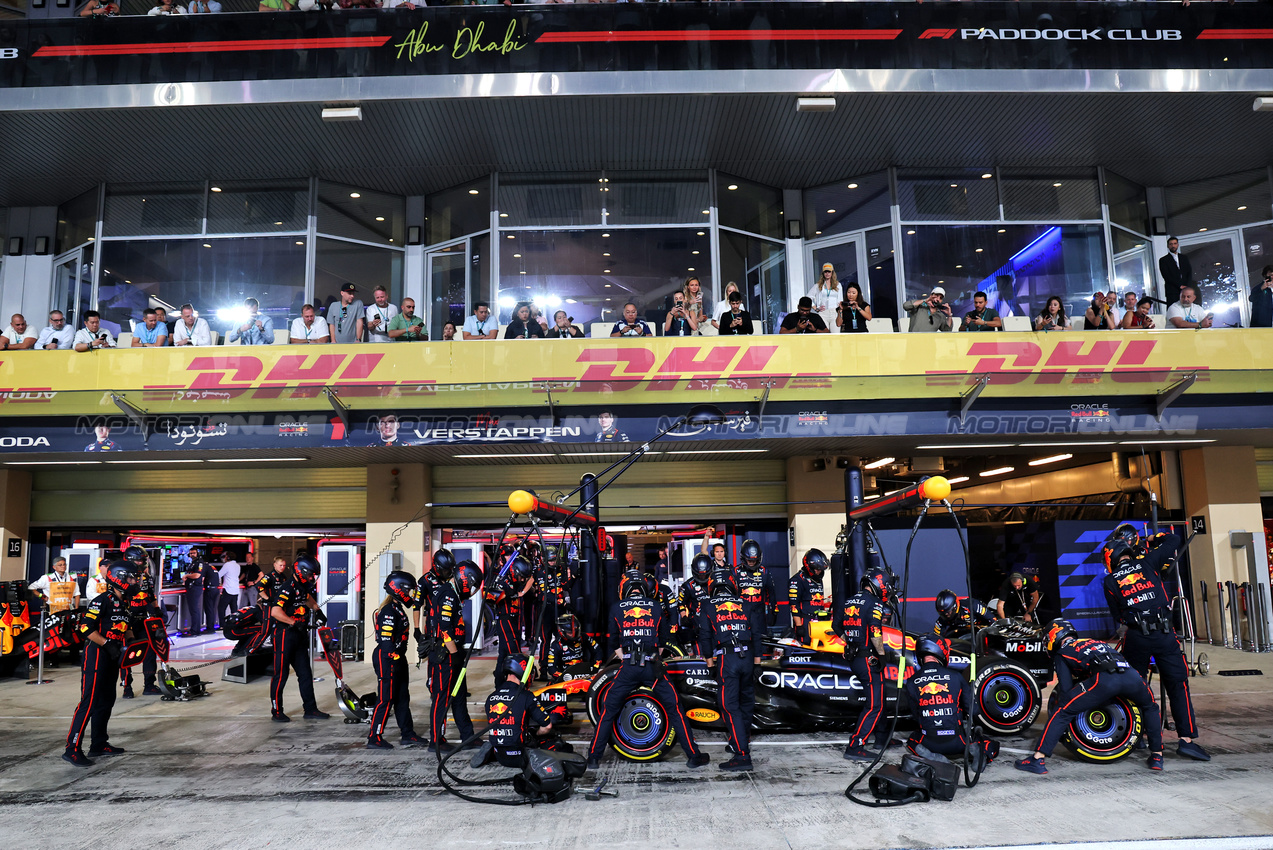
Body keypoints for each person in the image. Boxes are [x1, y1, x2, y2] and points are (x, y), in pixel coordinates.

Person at [587, 570, 709, 771]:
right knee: (675, 709)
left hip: (628, 667)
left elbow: (612, 643)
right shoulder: (655, 606)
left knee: (608, 711)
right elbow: (662, 642)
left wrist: (627, 658)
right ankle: (693, 756)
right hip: (653, 667)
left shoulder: (616, 608)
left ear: (623, 589)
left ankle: (593, 758)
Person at [1103, 534, 1209, 761]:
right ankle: (1187, 741)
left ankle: (1137, 735)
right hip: (1163, 634)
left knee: (1135, 687)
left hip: (1137, 637)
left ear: (1111, 559)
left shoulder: (1110, 581)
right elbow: (1174, 540)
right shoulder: (1147, 562)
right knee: (1178, 685)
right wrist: (1151, 538)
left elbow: (1118, 616)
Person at [1016, 618, 1163, 775]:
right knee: (1151, 707)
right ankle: (1157, 756)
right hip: (1131, 676)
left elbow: (1065, 690)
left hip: (1105, 679)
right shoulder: (1094, 641)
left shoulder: (1062, 652)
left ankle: (1038, 758)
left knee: (1063, 710)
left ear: (1053, 636)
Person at [63, 561, 137, 767]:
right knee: (89, 701)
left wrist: (132, 643)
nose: (135, 581)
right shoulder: (101, 600)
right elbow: (85, 627)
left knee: (107, 700)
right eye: (131, 578)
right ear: (118, 579)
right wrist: (107, 644)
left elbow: (126, 626)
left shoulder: (126, 602)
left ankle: (99, 743)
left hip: (113, 656)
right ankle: (72, 748)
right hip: (96, 654)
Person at [904, 634, 996, 766]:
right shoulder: (955, 676)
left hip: (929, 742)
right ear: (941, 650)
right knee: (988, 742)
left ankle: (932, 757)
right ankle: (981, 754)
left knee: (912, 740)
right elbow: (974, 710)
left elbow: (916, 716)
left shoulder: (912, 681)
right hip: (958, 741)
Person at [701, 568, 761, 771]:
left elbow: (705, 637)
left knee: (728, 704)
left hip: (728, 659)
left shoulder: (707, 604)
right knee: (746, 702)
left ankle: (742, 755)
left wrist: (710, 664)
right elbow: (758, 634)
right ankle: (739, 741)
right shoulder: (746, 603)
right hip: (748, 656)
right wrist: (758, 663)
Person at [836, 567, 896, 761]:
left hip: (855, 657)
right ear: (879, 585)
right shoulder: (875, 603)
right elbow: (876, 632)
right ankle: (856, 744)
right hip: (867, 659)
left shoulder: (849, 601)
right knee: (874, 705)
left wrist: (850, 642)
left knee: (880, 695)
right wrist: (882, 656)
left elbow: (835, 625)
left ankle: (881, 737)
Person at [427, 560, 482, 754]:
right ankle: (435, 740)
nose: (474, 591)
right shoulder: (448, 595)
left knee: (459, 697)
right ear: (465, 579)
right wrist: (455, 654)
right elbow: (444, 629)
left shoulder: (454, 595)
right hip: (445, 655)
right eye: (473, 586)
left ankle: (467, 736)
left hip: (454, 653)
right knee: (441, 698)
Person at [367, 571, 426, 749]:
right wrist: (394, 659)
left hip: (397, 658)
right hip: (387, 658)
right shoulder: (388, 611)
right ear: (399, 589)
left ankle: (407, 734)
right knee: (385, 698)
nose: (410, 595)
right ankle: (374, 737)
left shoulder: (397, 608)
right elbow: (386, 642)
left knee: (402, 698)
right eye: (408, 591)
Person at [268, 556, 330, 722]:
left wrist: (318, 611)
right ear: (301, 572)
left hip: (299, 635)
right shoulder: (286, 588)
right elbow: (275, 612)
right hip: (284, 636)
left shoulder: (301, 586)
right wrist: (293, 622)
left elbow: (307, 599)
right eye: (310, 575)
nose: (312, 578)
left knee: (305, 674)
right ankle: (277, 711)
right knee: (281, 675)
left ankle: (310, 709)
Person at [485, 653, 553, 767]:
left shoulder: (491, 697)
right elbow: (547, 726)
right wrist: (535, 734)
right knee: (556, 742)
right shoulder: (526, 696)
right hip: (520, 756)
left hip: (500, 756)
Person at [486, 556, 534, 689]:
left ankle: (500, 684)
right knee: (514, 652)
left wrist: (522, 592)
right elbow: (490, 597)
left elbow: (531, 578)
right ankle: (518, 684)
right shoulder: (502, 581)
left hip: (516, 618)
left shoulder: (518, 578)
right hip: (505, 619)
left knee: (503, 654)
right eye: (521, 577)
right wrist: (507, 593)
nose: (523, 580)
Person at [120, 545, 161, 698]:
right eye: (140, 560)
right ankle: (126, 686)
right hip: (126, 620)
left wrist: (156, 610)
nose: (143, 563)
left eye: (144, 560)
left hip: (144, 620)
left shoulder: (146, 577)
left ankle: (149, 684)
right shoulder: (121, 576)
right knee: (127, 654)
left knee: (150, 652)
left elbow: (151, 596)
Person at [788, 548, 831, 646]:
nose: (819, 572)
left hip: (820, 622)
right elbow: (794, 605)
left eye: (820, 569)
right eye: (817, 569)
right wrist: (799, 626)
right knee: (807, 648)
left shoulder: (818, 579)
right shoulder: (797, 580)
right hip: (805, 622)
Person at [736, 539, 777, 641]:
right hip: (741, 614)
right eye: (749, 560)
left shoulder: (764, 572)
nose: (751, 563)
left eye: (754, 560)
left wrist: (774, 611)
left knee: (760, 642)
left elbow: (771, 593)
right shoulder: (735, 572)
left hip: (759, 614)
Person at [545, 613, 599, 681]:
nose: (573, 635)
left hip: (584, 675)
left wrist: (595, 667)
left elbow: (598, 651)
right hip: (566, 677)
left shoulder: (583, 637)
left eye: (576, 632)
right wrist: (562, 677)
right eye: (570, 633)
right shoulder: (556, 645)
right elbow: (551, 667)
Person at [678, 555, 713, 656]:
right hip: (697, 625)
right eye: (700, 575)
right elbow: (680, 603)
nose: (702, 577)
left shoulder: (714, 582)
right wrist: (684, 616)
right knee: (701, 655)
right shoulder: (688, 586)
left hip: (714, 622)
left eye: (704, 575)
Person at [1159, 236, 1193, 306]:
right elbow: (1166, 275)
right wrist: (1179, 285)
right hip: (1172, 290)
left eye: (1175, 243)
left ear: (1177, 245)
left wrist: (1187, 286)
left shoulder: (1184, 258)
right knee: (1173, 310)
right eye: (1171, 244)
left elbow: (1189, 272)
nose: (1173, 246)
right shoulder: (1163, 260)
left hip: (1186, 290)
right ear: (1168, 246)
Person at [181, 550, 205, 636]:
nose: (192, 555)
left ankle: (195, 631)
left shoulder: (199, 563)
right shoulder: (192, 563)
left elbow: (197, 575)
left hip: (195, 588)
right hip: (191, 588)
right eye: (191, 553)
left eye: (194, 553)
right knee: (193, 610)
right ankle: (195, 630)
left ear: (197, 553)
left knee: (194, 610)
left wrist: (186, 576)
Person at [218, 553, 242, 628]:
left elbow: (219, 575)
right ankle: (234, 624)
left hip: (228, 589)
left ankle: (222, 625)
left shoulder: (227, 565)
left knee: (221, 608)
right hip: (235, 590)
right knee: (234, 609)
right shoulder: (238, 566)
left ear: (227, 557)